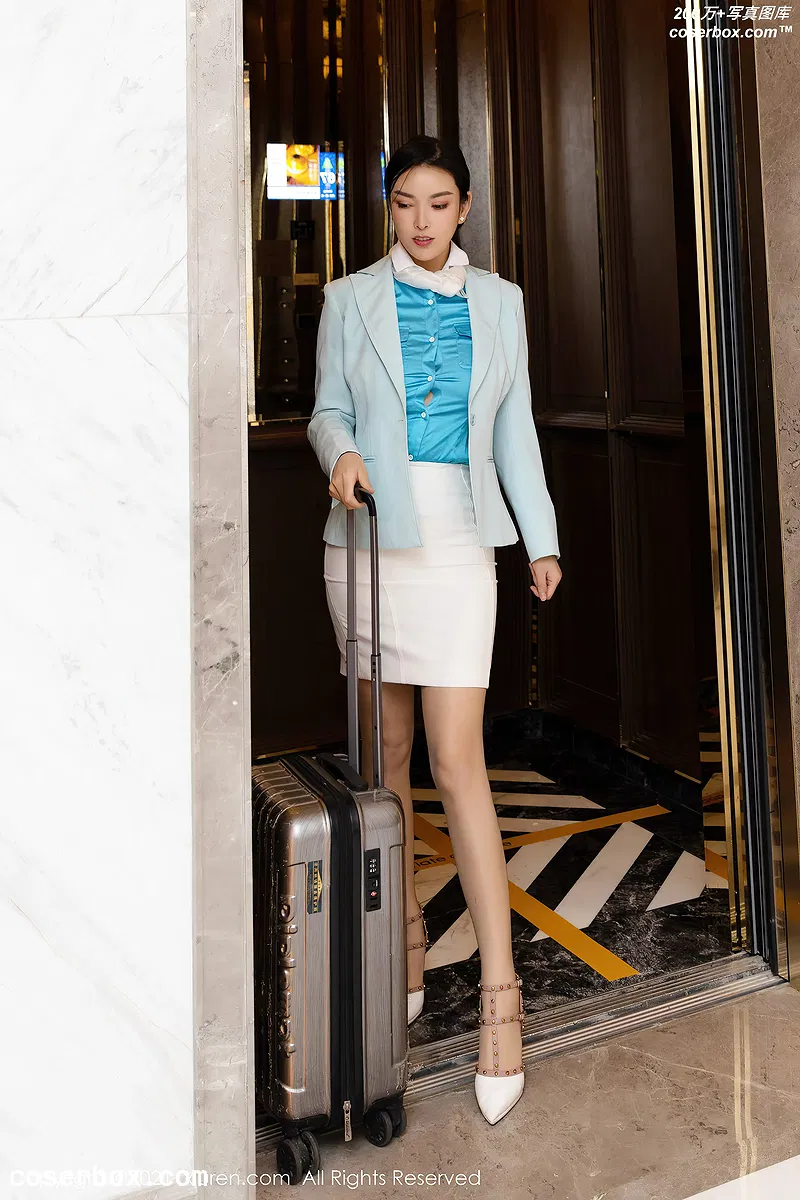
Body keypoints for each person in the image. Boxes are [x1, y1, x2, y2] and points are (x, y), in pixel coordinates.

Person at [307, 135, 562, 1125]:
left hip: (458, 540)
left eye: (439, 202)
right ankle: (406, 934)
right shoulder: (347, 299)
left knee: (458, 763)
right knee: (387, 758)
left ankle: (502, 997)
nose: (421, 220)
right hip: (369, 537)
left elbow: (515, 430)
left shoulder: (501, 303)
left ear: (465, 207)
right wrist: (340, 454)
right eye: (405, 202)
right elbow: (328, 410)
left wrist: (539, 539)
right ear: (389, 206)